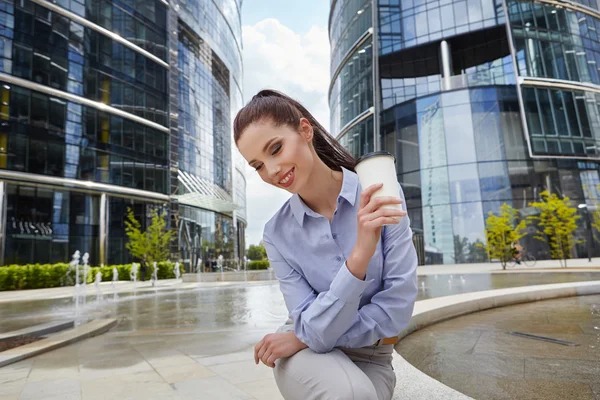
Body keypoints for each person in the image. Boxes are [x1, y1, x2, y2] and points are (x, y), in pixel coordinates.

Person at [234, 89, 418, 400]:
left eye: (275, 149)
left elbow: (398, 307)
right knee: (350, 395)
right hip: (305, 358)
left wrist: (307, 335)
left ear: (305, 130)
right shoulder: (276, 233)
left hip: (371, 358)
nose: (273, 171)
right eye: (258, 166)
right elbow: (304, 317)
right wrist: (359, 256)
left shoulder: (378, 192)